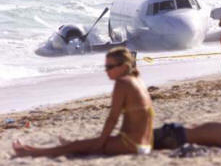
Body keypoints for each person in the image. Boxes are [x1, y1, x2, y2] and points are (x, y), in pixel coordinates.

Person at [13, 47, 154, 157]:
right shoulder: (137, 80)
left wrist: (99, 144)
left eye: (110, 67)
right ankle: (68, 146)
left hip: (131, 145)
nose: (107, 71)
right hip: (145, 144)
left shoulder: (122, 83)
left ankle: (32, 152)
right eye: (105, 67)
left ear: (123, 67)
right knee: (79, 145)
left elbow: (112, 119)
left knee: (79, 146)